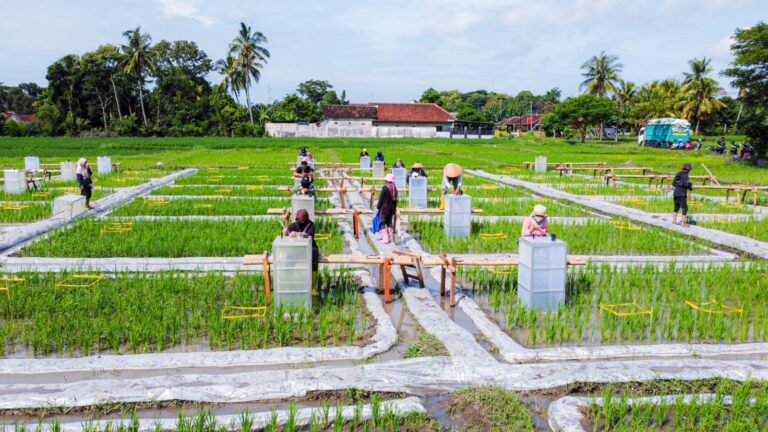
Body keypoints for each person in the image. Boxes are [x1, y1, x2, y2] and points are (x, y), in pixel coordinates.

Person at [282, 208, 319, 292]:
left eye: (302, 220)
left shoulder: (311, 225)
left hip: (310, 248)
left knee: (314, 259)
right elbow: (285, 235)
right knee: (289, 260)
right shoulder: (293, 225)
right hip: (297, 249)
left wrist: (298, 234)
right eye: (298, 220)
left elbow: (309, 236)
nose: (300, 222)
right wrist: (286, 232)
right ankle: (288, 282)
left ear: (306, 219)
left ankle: (313, 286)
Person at [377, 173, 398, 244]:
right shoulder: (394, 188)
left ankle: (385, 239)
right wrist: (394, 210)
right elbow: (395, 201)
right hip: (391, 209)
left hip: (384, 209)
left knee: (381, 223)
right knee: (389, 223)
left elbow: (381, 199)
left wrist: (378, 207)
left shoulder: (385, 188)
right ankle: (389, 238)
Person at [672, 163, 693, 227]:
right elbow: (686, 184)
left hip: (675, 193)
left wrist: (679, 186)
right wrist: (690, 186)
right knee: (685, 208)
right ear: (688, 169)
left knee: (676, 207)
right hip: (681, 194)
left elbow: (673, 183)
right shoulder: (685, 175)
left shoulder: (678, 173)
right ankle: (683, 223)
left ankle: (674, 221)